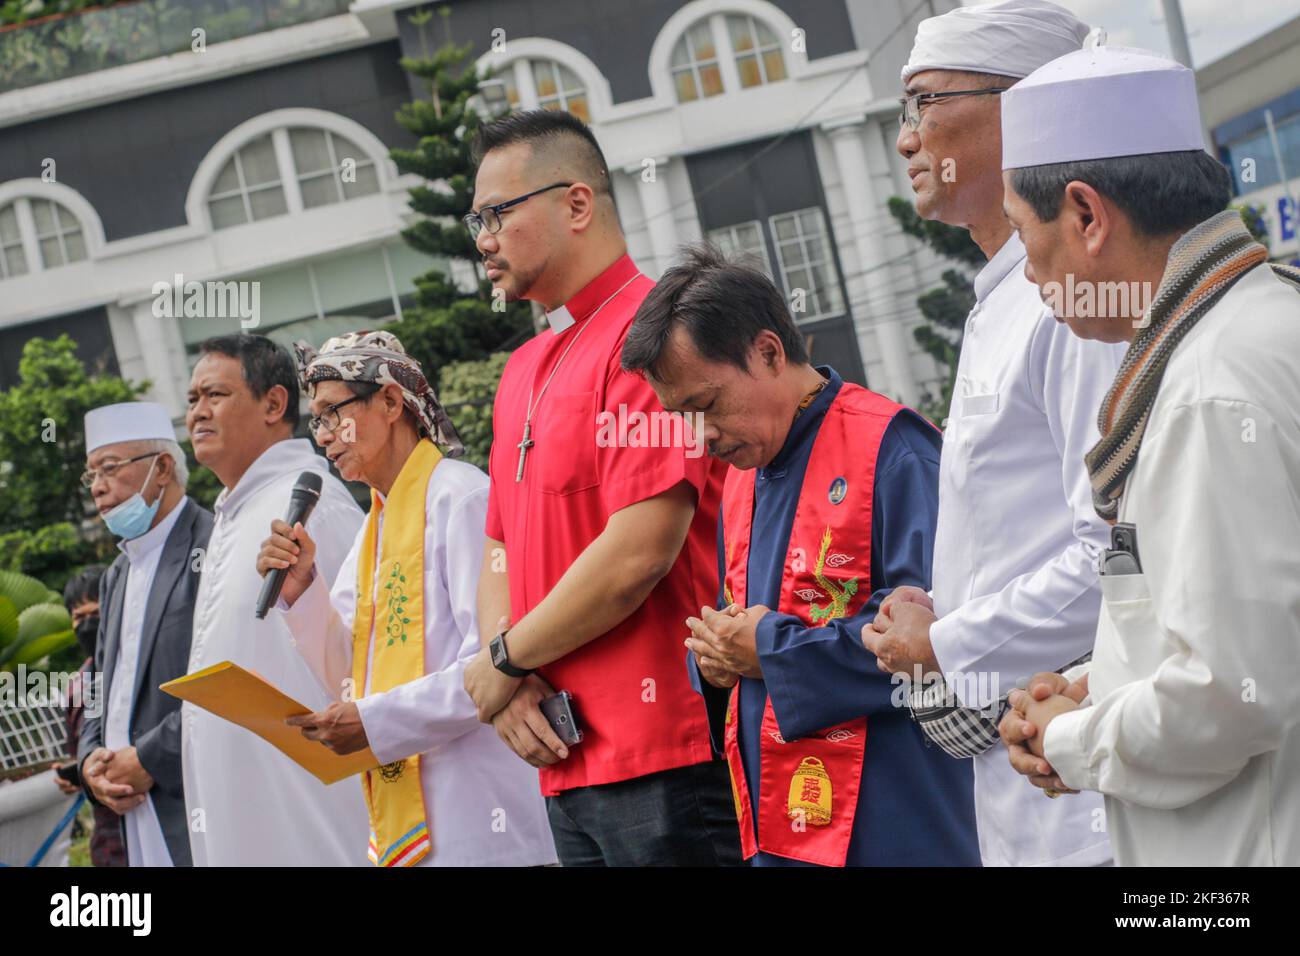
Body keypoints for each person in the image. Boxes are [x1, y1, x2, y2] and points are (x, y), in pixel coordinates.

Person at [996, 43, 1300, 866]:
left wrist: (1072, 735)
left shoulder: (1208, 386)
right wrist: (1100, 686)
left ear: (1087, 216)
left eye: (1027, 239)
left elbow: (1231, 696)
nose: (1030, 274)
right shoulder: (1261, 321)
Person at [621, 244, 979, 866]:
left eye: (705, 406)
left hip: (892, 813)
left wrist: (770, 651)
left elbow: (948, 637)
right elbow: (742, 626)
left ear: (768, 351)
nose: (699, 437)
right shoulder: (742, 475)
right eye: (681, 417)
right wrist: (714, 662)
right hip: (780, 823)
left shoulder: (891, 450)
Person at [867, 0, 1122, 866]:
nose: (906, 139)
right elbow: (1023, 530)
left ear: (1023, 109)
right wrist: (943, 611)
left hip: (1079, 757)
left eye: (924, 104)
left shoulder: (1071, 299)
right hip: (1020, 762)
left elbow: (1115, 550)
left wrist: (944, 643)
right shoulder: (1004, 297)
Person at [458, 109, 739, 866]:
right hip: (561, 752)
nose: (483, 239)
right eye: (474, 219)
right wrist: (506, 672)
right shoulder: (523, 367)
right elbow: (499, 544)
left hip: (664, 750)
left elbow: (638, 554)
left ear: (576, 204)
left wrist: (507, 661)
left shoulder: (654, 337)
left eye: (497, 213)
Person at [254, 331, 556, 867]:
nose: (323, 437)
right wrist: (303, 595)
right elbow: (351, 675)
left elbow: (490, 668)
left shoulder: (461, 497)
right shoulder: (376, 527)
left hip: (483, 817)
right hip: (412, 824)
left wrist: (372, 722)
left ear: (391, 401)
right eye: (316, 421)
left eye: (332, 414)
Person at [183, 333, 367, 865]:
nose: (198, 412)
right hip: (245, 807)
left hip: (313, 811)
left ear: (273, 403)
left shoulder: (311, 500)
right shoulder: (235, 509)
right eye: (192, 399)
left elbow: (365, 657)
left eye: (215, 395)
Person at [76, 402, 213, 867]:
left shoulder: (212, 546)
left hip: (196, 796)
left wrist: (149, 757)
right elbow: (100, 684)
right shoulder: (116, 574)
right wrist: (90, 759)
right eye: (91, 474)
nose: (97, 486)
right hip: (130, 807)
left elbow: (227, 682)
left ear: (163, 468)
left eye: (110, 468)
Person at [54, 565, 126, 868]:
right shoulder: (76, 687)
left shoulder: (134, 670)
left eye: (94, 614)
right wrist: (73, 773)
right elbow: (75, 751)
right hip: (108, 837)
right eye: (78, 618)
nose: (87, 625)